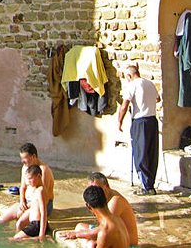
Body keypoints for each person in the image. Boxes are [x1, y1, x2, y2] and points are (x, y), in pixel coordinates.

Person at [117, 64, 160, 195]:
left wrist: (119, 121)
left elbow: (124, 105)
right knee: (151, 153)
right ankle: (150, 184)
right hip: (152, 120)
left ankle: (145, 186)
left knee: (140, 153)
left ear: (130, 75)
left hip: (140, 121)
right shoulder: (150, 84)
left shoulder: (132, 85)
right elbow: (158, 99)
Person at [62, 172, 138, 246]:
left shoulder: (115, 201)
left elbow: (106, 229)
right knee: (79, 227)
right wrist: (78, 234)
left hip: (130, 244)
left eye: (97, 189)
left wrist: (78, 235)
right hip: (115, 235)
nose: (95, 192)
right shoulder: (111, 215)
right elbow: (105, 227)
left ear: (107, 186)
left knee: (90, 243)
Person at [0, 143, 55, 223]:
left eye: (25, 158)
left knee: (20, 221)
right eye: (21, 158)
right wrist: (22, 202)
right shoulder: (25, 168)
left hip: (42, 205)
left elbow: (44, 197)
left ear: (34, 156)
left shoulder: (43, 170)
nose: (22, 161)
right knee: (1, 220)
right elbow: (23, 187)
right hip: (26, 203)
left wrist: (29, 207)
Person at [6, 164, 49, 241]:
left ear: (38, 176)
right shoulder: (36, 189)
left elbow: (44, 213)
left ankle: (41, 237)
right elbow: (35, 205)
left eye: (30, 179)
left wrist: (41, 234)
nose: (28, 182)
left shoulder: (40, 191)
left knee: (14, 239)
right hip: (34, 223)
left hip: (37, 225)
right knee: (18, 225)